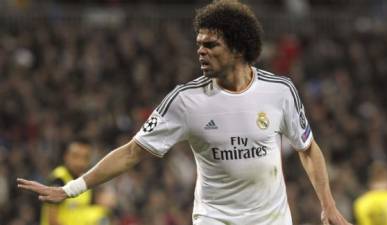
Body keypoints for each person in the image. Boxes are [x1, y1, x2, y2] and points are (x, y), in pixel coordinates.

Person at [17, 1, 352, 224]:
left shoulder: (280, 91)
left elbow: (307, 149)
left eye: (211, 45)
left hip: (272, 219)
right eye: (199, 45)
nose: (201, 52)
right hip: (214, 217)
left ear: (237, 47)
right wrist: (71, 189)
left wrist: (328, 204)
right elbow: (133, 152)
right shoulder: (185, 100)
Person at [40, 140, 111, 225]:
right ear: (66, 156)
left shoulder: (86, 180)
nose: (80, 162)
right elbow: (52, 221)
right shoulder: (59, 179)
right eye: (75, 156)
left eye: (85, 157)